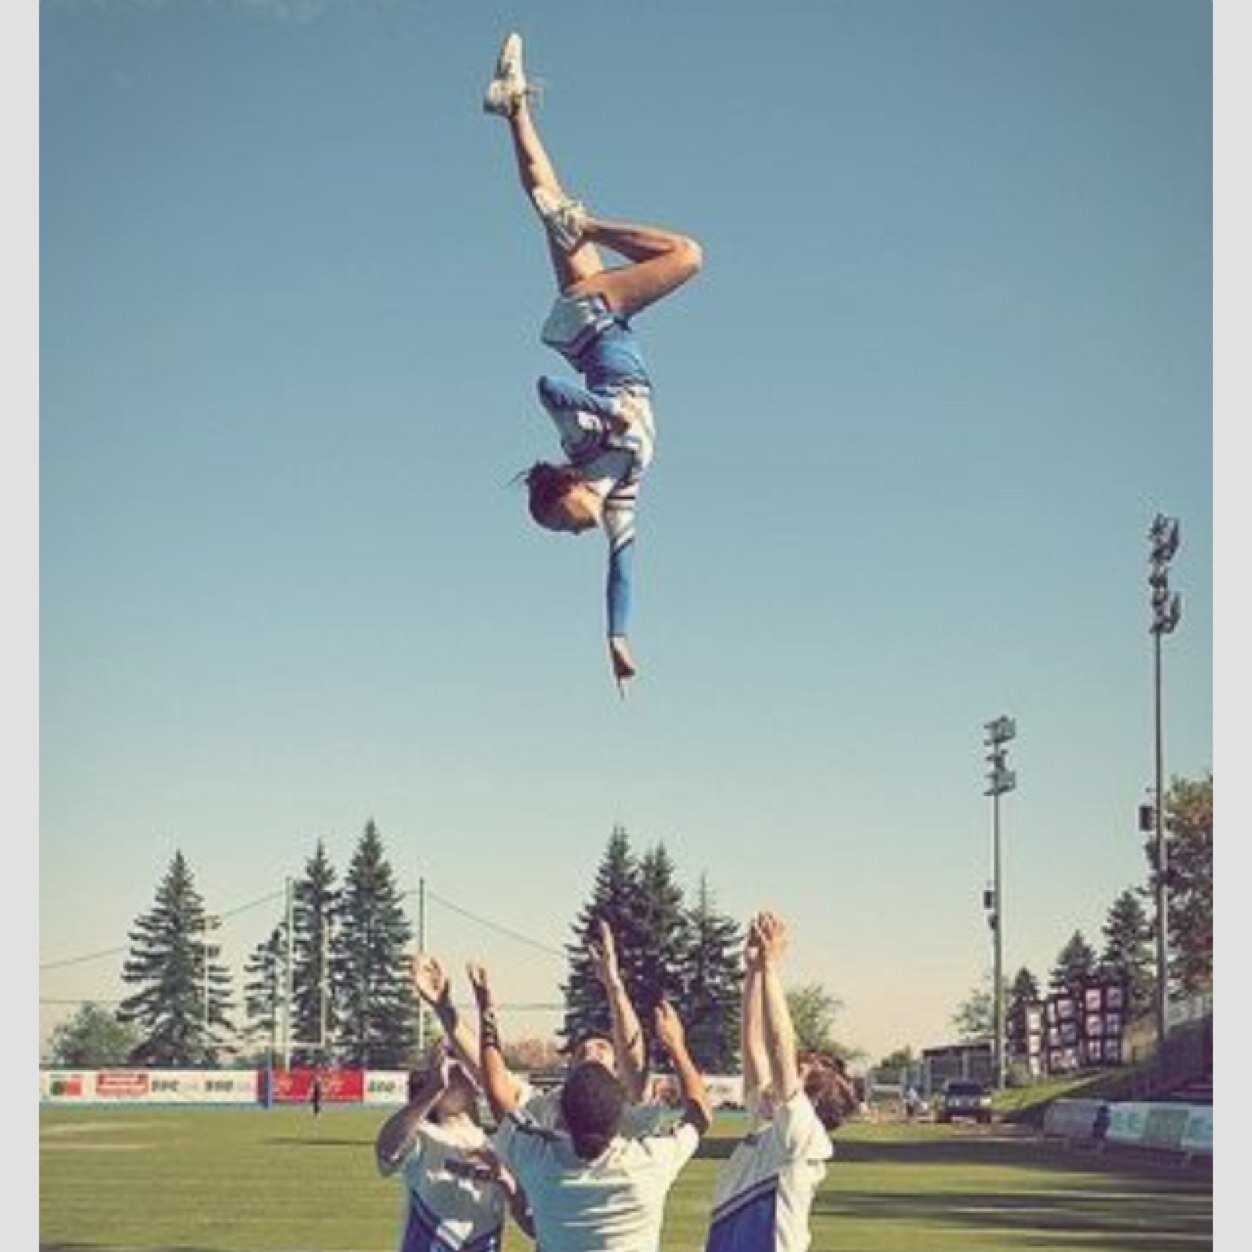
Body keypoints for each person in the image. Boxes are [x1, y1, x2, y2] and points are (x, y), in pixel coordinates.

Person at [483, 32, 704, 694]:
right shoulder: (619, 504)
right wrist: (617, 637)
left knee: (688, 256)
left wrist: (611, 416)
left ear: (567, 491)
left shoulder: (582, 447)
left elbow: (547, 388)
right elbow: (624, 571)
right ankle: (513, 105)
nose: (567, 533)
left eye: (558, 523)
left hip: (593, 328)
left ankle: (589, 223)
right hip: (605, 326)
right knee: (546, 200)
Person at [469, 960, 711, 1252]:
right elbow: (700, 1114)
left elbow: (496, 1093)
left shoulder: (539, 1160)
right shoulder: (648, 1163)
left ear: (563, 1115)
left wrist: (486, 1010)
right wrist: (677, 1046)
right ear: (618, 1116)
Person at [413, 920, 671, 1134]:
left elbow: (634, 1059)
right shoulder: (546, 1105)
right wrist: (445, 1010)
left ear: (617, 1068)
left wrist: (614, 984)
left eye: (602, 1048)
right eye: (581, 1051)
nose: (590, 1051)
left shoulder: (628, 1106)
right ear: (569, 1068)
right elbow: (491, 1075)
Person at [704, 912, 858, 1252]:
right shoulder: (770, 1125)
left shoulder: (800, 1134)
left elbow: (777, 1046)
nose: (786, 1071)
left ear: (810, 1098)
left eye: (800, 1070)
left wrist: (772, 968)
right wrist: (754, 971)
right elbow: (753, 1045)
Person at [374, 1042, 533, 1252]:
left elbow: (529, 1219)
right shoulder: (424, 1134)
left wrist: (507, 1181)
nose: (464, 1075)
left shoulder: (498, 1142)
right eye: (454, 1069)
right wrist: (433, 1089)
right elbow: (386, 1155)